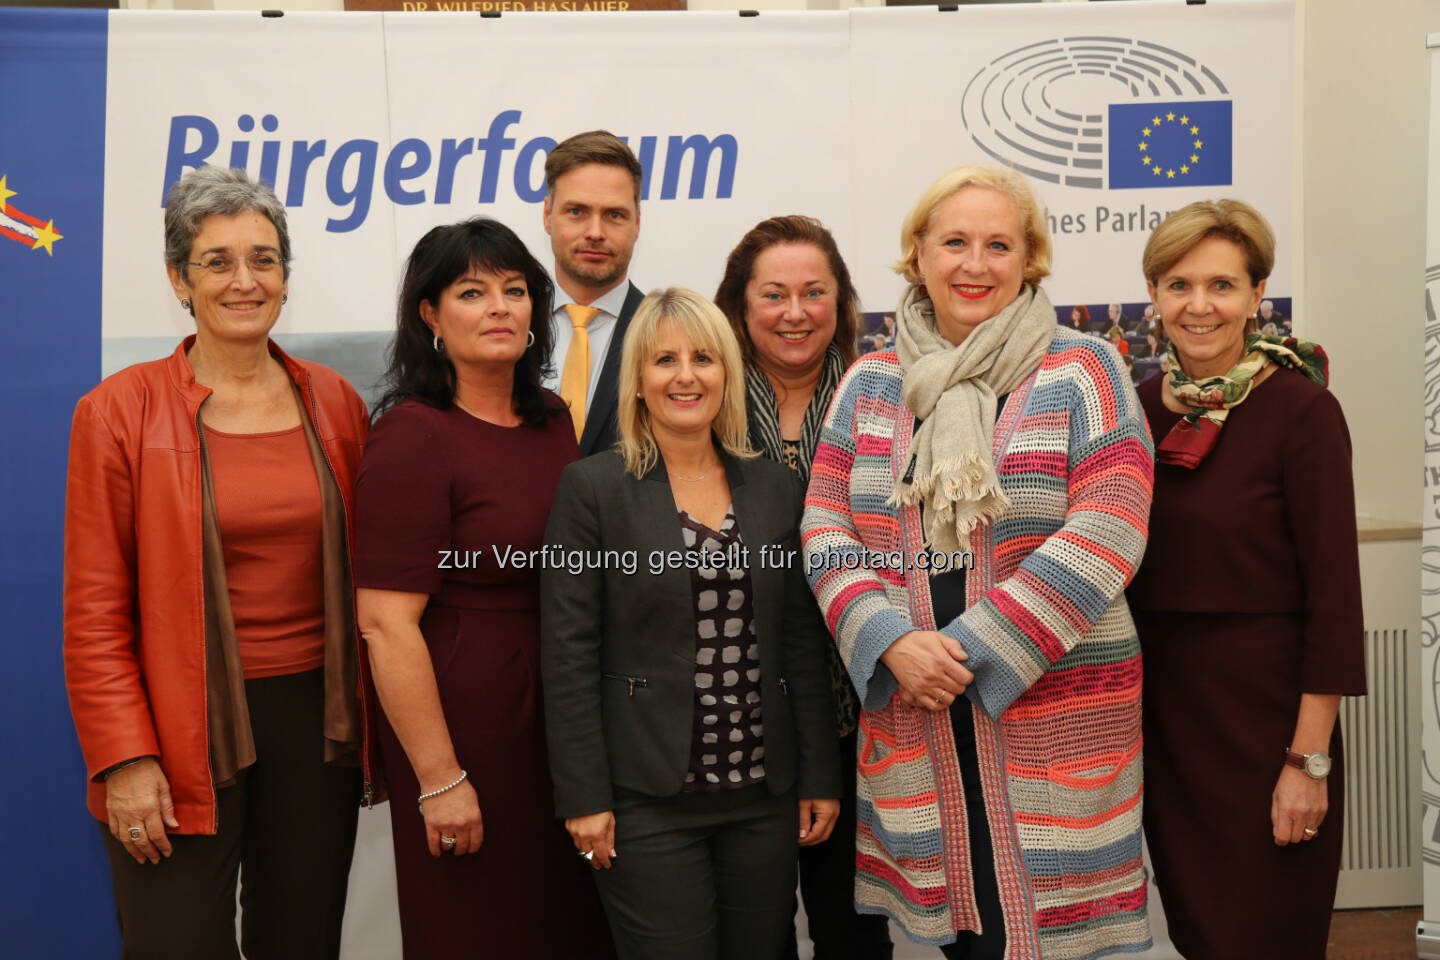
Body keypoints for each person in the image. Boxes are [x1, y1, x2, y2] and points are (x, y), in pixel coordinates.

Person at [801, 164, 1153, 959]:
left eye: (999, 245)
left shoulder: (1086, 368)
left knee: (1049, 932)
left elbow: (1111, 526)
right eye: (954, 241)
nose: (975, 264)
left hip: (1049, 706)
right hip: (916, 707)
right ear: (918, 255)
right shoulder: (869, 383)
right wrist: (891, 640)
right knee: (968, 934)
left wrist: (966, 653)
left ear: (1029, 259)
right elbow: (824, 526)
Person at [63, 165, 373, 959]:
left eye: (264, 259)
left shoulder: (336, 403)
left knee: (301, 943)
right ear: (180, 279)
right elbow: (94, 615)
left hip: (316, 727)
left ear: (285, 276)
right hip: (173, 728)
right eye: (218, 261)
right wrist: (126, 758)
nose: (245, 280)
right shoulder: (117, 411)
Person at [541, 287, 842, 960]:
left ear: (726, 374)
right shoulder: (591, 489)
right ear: (637, 379)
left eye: (703, 358)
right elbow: (567, 654)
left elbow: (800, 644)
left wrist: (819, 773)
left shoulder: (776, 487)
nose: (686, 376)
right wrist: (583, 796)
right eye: (664, 360)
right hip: (645, 799)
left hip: (763, 796)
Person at [354, 217, 612, 959]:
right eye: (472, 292)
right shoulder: (412, 435)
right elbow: (385, 626)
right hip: (465, 724)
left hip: (562, 719)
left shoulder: (551, 418)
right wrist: (440, 779)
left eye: (514, 289)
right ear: (430, 316)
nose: (499, 307)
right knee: (478, 930)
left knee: (570, 929)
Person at [1126, 200, 1364, 959]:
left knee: (1267, 936)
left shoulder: (1302, 409)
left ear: (1258, 293)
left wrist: (1307, 763)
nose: (1199, 305)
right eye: (1179, 285)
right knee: (1202, 936)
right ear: (1154, 296)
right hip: (1167, 730)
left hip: (1270, 731)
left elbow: (1335, 600)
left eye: (1222, 285)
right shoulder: (1133, 412)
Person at [714, 215, 892, 960]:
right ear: (739, 305)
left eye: (814, 292)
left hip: (867, 706)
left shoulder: (888, 395)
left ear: (841, 301)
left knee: (853, 928)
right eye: (773, 294)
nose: (795, 313)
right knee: (750, 934)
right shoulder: (702, 400)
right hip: (735, 710)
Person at [542, 130, 647, 456]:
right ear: (547, 216)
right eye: (577, 212)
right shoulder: (504, 323)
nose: (595, 233)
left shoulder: (665, 333)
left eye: (614, 215)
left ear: (637, 223)